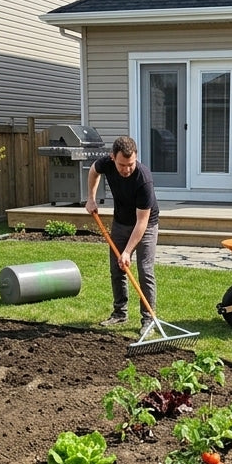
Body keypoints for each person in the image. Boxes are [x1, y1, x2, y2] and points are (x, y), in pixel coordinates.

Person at [85, 135, 159, 332]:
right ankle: (120, 313)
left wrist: (127, 252)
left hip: (145, 226)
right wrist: (91, 198)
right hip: (120, 222)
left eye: (130, 164)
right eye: (122, 165)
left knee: (145, 271)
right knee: (116, 269)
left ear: (136, 158)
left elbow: (142, 222)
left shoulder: (144, 180)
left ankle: (148, 320)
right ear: (113, 157)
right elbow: (93, 171)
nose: (126, 169)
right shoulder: (106, 163)